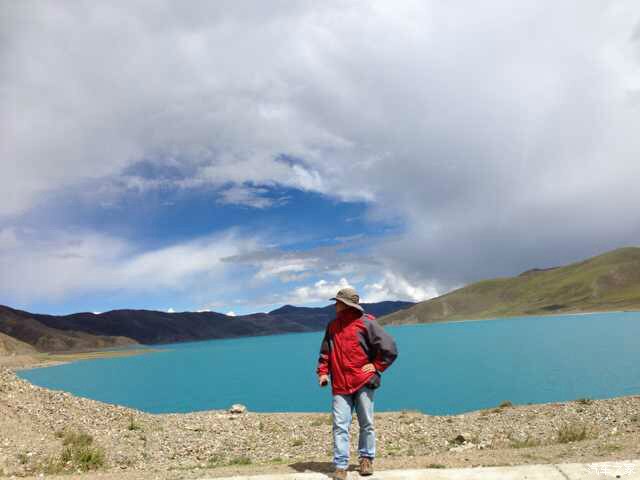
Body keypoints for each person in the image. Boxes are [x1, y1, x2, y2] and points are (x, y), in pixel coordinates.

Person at [316, 287, 398, 479]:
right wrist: (323, 373)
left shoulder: (366, 323)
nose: (335, 305)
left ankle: (366, 459)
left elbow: (390, 348)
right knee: (340, 425)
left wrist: (376, 366)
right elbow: (325, 352)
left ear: (345, 304)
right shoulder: (333, 326)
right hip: (340, 385)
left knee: (366, 423)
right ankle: (341, 466)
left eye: (337, 302)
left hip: (363, 382)